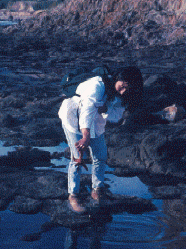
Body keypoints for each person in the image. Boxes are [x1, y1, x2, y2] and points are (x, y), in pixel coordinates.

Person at [58, 66, 144, 213]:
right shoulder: (97, 85)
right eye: (122, 86)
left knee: (101, 155)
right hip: (73, 118)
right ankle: (73, 195)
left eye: (127, 89)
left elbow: (116, 115)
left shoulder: (122, 93)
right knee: (78, 158)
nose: (123, 91)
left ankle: (97, 190)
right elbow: (87, 110)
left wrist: (106, 110)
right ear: (118, 78)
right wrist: (85, 136)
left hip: (95, 123)